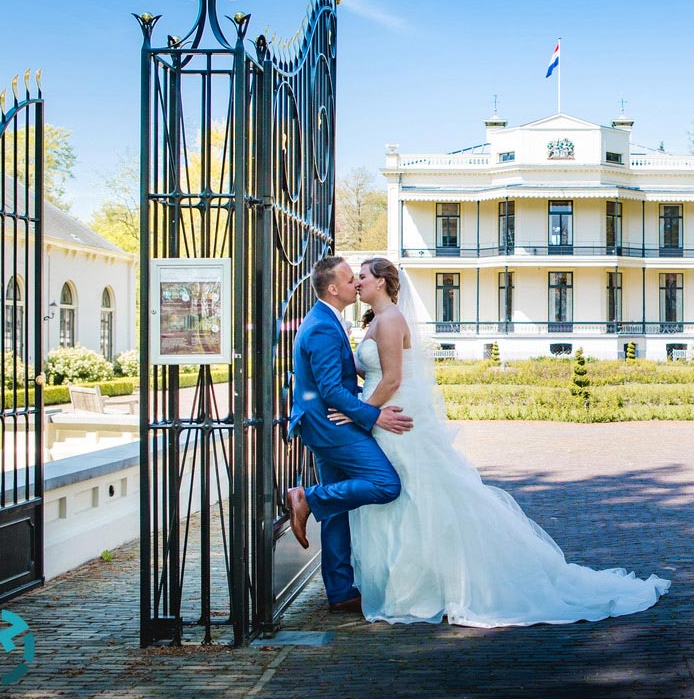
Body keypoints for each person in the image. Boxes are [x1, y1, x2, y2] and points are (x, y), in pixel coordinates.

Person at [337, 256, 670, 627]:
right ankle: (409, 584)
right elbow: (371, 367)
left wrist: (360, 414)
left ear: (381, 282)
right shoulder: (377, 321)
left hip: (396, 416)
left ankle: (423, 588)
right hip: (387, 414)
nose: (357, 283)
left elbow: (393, 379)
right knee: (404, 497)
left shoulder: (391, 319)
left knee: (415, 496)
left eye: (362, 276)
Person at [285, 256, 413, 613]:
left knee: (337, 507)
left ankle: (340, 591)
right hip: (330, 424)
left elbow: (342, 376)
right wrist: (372, 415)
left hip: (324, 422)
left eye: (359, 278)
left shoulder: (329, 318)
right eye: (349, 279)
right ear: (332, 289)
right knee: (386, 484)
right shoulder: (324, 325)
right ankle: (307, 498)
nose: (356, 284)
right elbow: (329, 388)